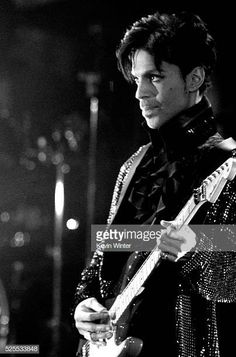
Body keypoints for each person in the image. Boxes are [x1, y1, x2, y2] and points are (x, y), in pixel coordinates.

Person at [73, 10, 236, 357]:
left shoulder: (226, 162)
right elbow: (105, 256)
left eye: (155, 78)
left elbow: (231, 278)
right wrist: (83, 305)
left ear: (194, 78)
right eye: (136, 79)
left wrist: (197, 246)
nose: (140, 93)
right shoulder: (134, 165)